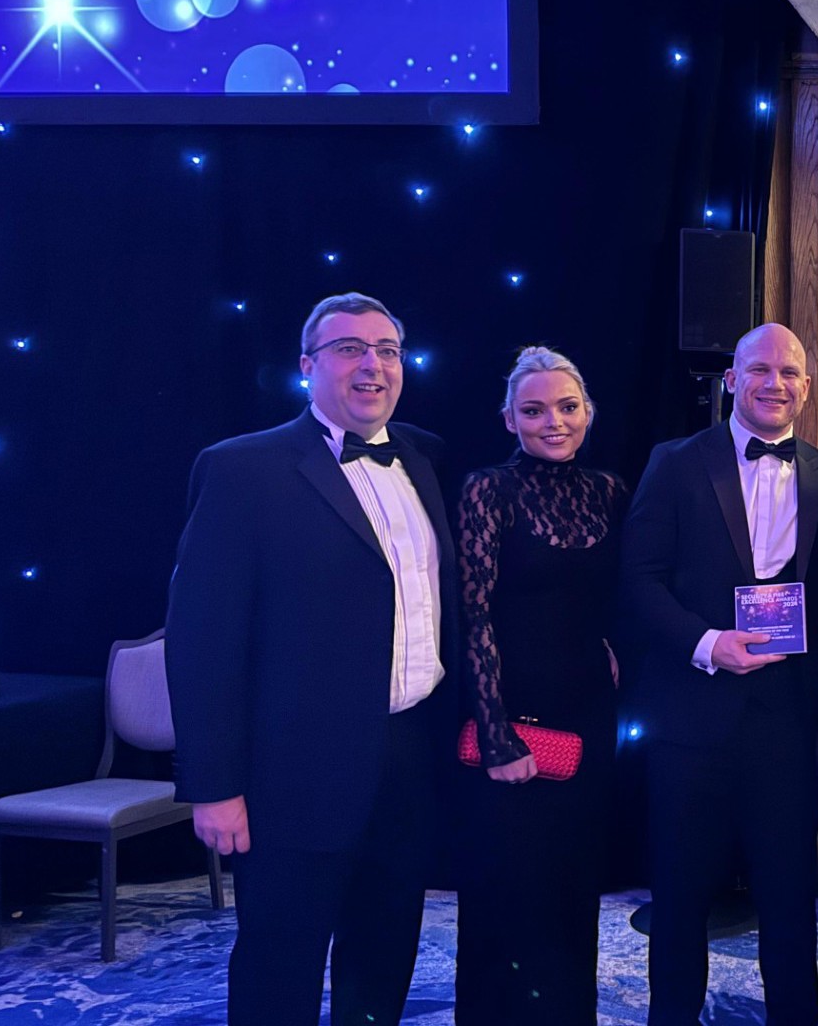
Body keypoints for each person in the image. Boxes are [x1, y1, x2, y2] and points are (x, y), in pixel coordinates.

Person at [166, 292, 457, 1025]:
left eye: (387, 349)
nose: (373, 364)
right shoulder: (243, 470)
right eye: (350, 348)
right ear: (307, 367)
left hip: (409, 755)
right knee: (279, 964)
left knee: (385, 950)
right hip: (292, 774)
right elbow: (203, 639)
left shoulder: (425, 459)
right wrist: (213, 785)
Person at [621, 322, 818, 1026]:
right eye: (760, 370)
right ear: (732, 379)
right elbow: (638, 580)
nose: (775, 383)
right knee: (681, 898)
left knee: (788, 899)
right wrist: (708, 642)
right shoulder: (676, 462)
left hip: (786, 722)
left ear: (807, 388)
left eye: (790, 372)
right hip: (691, 719)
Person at [454, 347, 628, 1024]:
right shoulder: (485, 489)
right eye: (534, 410)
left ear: (588, 412)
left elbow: (620, 596)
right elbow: (474, 616)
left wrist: (615, 650)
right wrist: (496, 737)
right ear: (509, 418)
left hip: (588, 714)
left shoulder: (611, 489)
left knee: (572, 892)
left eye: (567, 407)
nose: (553, 421)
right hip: (511, 718)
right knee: (506, 894)